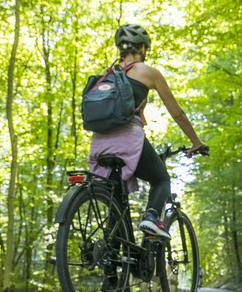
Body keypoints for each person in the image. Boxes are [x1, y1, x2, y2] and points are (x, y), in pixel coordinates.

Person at [87, 24, 208, 241]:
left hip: (98, 144)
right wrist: (196, 142)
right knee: (161, 179)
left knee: (117, 201)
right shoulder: (148, 72)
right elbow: (177, 113)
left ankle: (112, 267)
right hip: (127, 141)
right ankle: (152, 217)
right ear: (143, 47)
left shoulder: (107, 75)